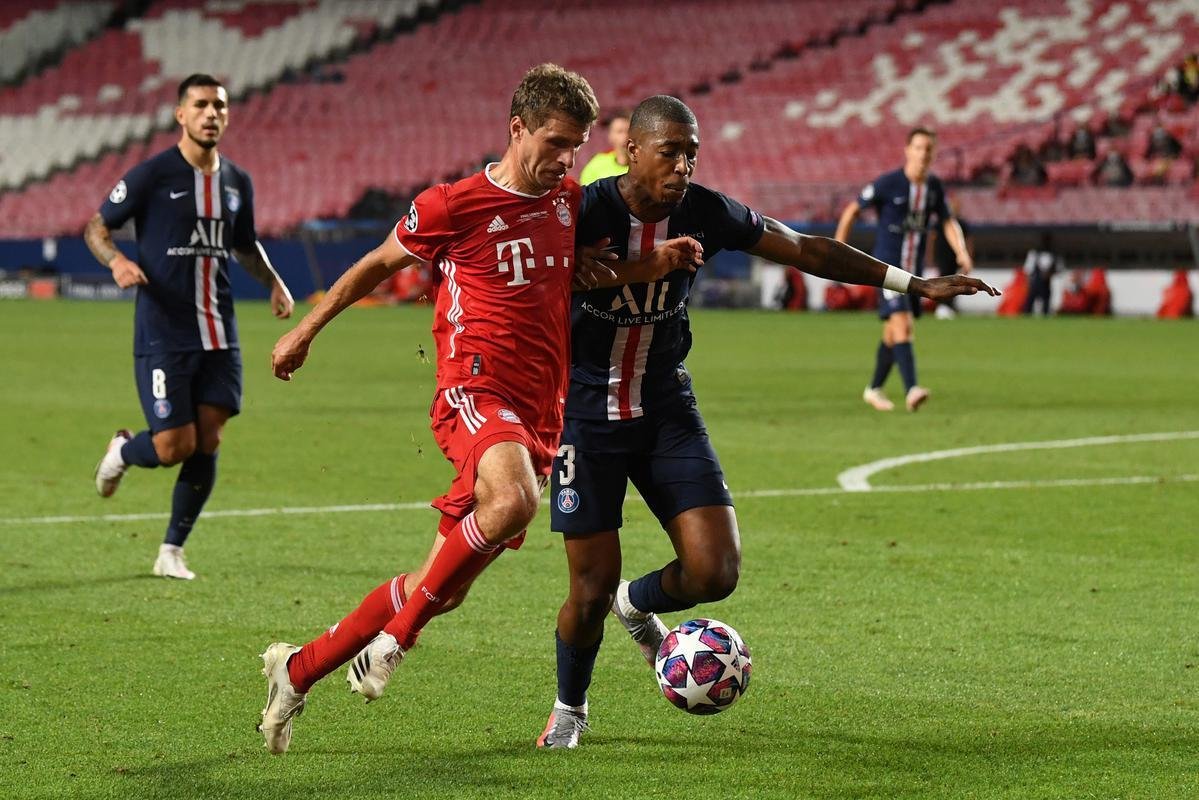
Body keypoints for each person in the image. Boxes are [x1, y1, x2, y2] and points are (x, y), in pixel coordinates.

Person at [255, 64, 694, 755]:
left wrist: (654, 265)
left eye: (575, 147)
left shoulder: (565, 203)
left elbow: (577, 274)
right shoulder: (451, 205)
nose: (564, 160)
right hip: (472, 389)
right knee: (514, 502)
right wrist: (305, 329)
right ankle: (395, 642)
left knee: (440, 585)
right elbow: (376, 265)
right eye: (553, 143)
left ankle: (296, 668)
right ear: (516, 128)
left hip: (536, 412)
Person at [537, 96, 998, 747]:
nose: (683, 165)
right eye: (669, 151)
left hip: (667, 407)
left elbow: (807, 249)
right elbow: (521, 280)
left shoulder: (705, 210)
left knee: (713, 572)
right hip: (586, 415)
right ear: (631, 151)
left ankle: (635, 603)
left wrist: (912, 284)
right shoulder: (579, 214)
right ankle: (570, 708)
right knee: (585, 590)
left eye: (691, 152)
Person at [86, 73, 294, 580]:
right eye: (200, 105)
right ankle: (123, 450)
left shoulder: (237, 182)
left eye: (219, 106)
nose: (211, 114)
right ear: (181, 114)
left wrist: (274, 282)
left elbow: (244, 244)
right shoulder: (152, 175)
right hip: (164, 332)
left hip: (219, 331)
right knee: (171, 447)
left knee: (209, 439)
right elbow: (96, 227)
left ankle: (171, 551)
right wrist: (114, 261)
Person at [835, 127, 973, 413]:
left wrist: (961, 251)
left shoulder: (933, 188)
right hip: (887, 269)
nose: (924, 154)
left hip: (915, 274)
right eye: (919, 147)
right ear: (907, 150)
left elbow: (948, 222)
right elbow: (852, 210)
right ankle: (912, 389)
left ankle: (874, 389)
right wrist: (838, 248)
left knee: (892, 333)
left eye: (929, 149)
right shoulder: (888, 184)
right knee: (903, 324)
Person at [578, 109, 630, 185]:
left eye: (629, 131)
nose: (625, 137)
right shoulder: (597, 164)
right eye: (619, 131)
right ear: (610, 136)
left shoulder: (646, 165)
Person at [1023, 232, 1062, 316]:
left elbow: (1059, 269)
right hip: (1035, 282)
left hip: (1047, 283)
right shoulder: (1034, 253)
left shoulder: (1055, 254)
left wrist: (1050, 274)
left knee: (1046, 304)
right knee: (1029, 302)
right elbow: (1028, 269)